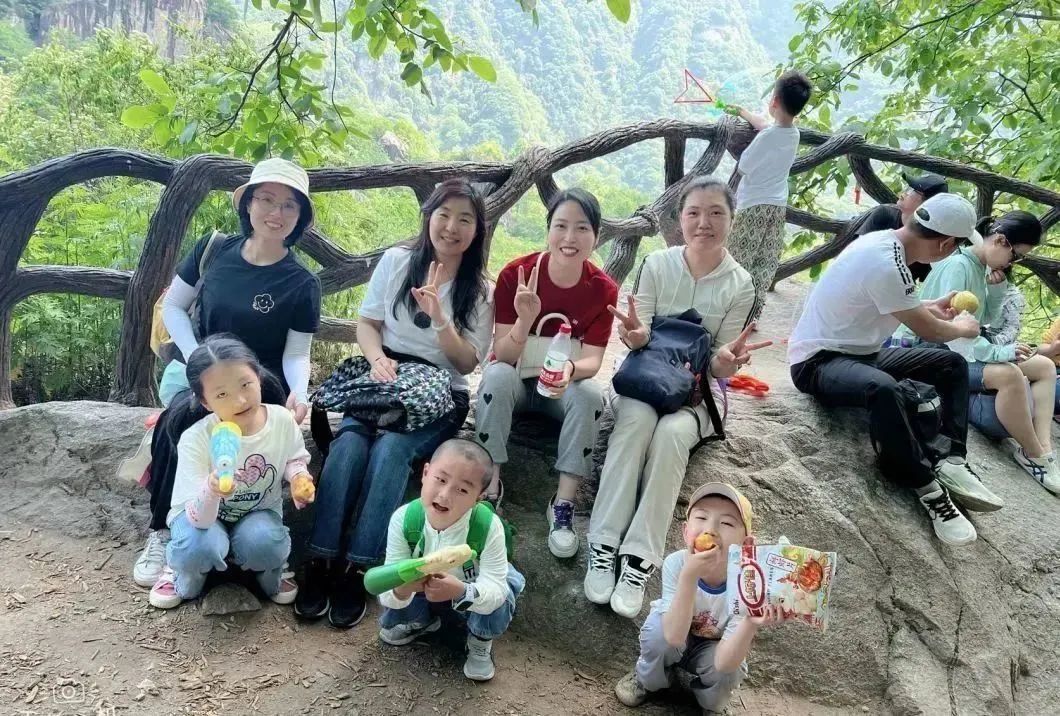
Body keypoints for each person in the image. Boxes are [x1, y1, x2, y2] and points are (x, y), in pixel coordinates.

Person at [296, 178, 494, 628]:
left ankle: (362, 568)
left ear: (477, 231)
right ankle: (322, 558)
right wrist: (378, 359)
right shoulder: (397, 262)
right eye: (444, 215)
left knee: (391, 450)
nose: (451, 227)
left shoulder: (481, 291)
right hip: (384, 381)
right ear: (429, 218)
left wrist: (441, 319)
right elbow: (367, 325)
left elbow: (467, 362)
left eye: (465, 219)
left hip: (439, 393)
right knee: (348, 446)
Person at [133, 158, 321, 590]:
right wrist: (198, 359)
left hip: (260, 385)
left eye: (289, 205)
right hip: (205, 377)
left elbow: (296, 352)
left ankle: (255, 536)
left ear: (300, 216)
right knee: (178, 421)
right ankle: (164, 531)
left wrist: (299, 391)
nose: (276, 213)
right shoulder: (213, 250)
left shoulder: (301, 283)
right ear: (248, 204)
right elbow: (174, 307)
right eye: (266, 200)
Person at [586, 176, 766, 618]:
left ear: (732, 220)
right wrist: (635, 336)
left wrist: (727, 362)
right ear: (679, 219)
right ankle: (603, 543)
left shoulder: (741, 283)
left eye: (716, 213)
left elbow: (720, 364)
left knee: (671, 435)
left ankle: (638, 559)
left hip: (699, 394)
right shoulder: (657, 264)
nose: (704, 222)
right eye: (694, 213)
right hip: (646, 380)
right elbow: (639, 334)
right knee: (635, 422)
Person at [789, 193, 1004, 547]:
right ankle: (927, 487)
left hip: (862, 353)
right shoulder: (885, 261)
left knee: (951, 364)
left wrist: (928, 306)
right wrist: (963, 329)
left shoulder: (886, 244)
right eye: (958, 245)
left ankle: (953, 458)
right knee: (883, 387)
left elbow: (894, 302)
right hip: (817, 363)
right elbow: (930, 331)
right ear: (945, 244)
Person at [473, 188, 617, 559]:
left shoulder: (603, 290)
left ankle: (563, 505)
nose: (570, 237)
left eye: (582, 228)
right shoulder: (516, 275)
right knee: (496, 376)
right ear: (548, 229)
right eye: (561, 226)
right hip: (516, 387)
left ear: (596, 235)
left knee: (590, 394)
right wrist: (525, 320)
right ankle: (489, 488)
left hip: (562, 393)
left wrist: (571, 368)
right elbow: (503, 355)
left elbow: (593, 360)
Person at [895, 212, 1060, 493]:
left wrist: (996, 290)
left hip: (958, 349)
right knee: (1009, 374)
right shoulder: (959, 266)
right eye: (1016, 256)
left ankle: (1044, 448)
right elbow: (956, 333)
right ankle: (1033, 454)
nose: (1012, 263)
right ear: (1001, 241)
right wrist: (1001, 352)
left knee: (1044, 367)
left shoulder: (980, 268)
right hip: (933, 350)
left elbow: (984, 321)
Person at [148, 335, 314, 609]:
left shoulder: (282, 421)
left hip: (257, 512)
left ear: (258, 377)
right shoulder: (196, 438)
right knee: (197, 547)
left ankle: (269, 570)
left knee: (266, 544)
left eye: (246, 384)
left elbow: (294, 458)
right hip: (198, 519)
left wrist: (298, 477)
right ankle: (182, 574)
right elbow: (200, 519)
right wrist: (211, 490)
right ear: (205, 402)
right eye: (221, 394)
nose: (239, 400)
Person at [613, 482, 780, 713]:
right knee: (657, 633)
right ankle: (647, 680)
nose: (710, 530)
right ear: (685, 531)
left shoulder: (748, 584)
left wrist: (751, 622)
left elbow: (724, 663)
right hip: (674, 637)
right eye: (701, 518)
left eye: (726, 523)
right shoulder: (676, 563)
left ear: (746, 545)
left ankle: (709, 701)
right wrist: (689, 575)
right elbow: (673, 637)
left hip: (714, 650)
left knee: (731, 671)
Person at [377, 439, 523, 683]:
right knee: (395, 591)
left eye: (463, 490)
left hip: (470, 590)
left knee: (504, 592)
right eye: (440, 479)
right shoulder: (405, 519)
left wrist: (461, 591)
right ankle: (422, 620)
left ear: (478, 498)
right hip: (425, 590)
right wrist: (401, 589)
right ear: (425, 473)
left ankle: (480, 639)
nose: (445, 495)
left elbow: (495, 589)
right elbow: (386, 584)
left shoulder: (488, 527)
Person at [725, 70, 812, 321]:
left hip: (753, 205)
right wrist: (743, 112)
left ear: (774, 100)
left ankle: (729, 311)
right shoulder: (793, 133)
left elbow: (744, 166)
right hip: (776, 207)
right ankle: (751, 315)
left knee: (738, 257)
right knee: (764, 261)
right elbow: (767, 126)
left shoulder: (767, 137)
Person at [855, 172, 949, 283]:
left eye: (912, 191)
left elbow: (930, 280)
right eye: (907, 188)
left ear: (927, 204)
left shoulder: (931, 237)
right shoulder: (884, 215)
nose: (904, 193)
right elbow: (858, 256)